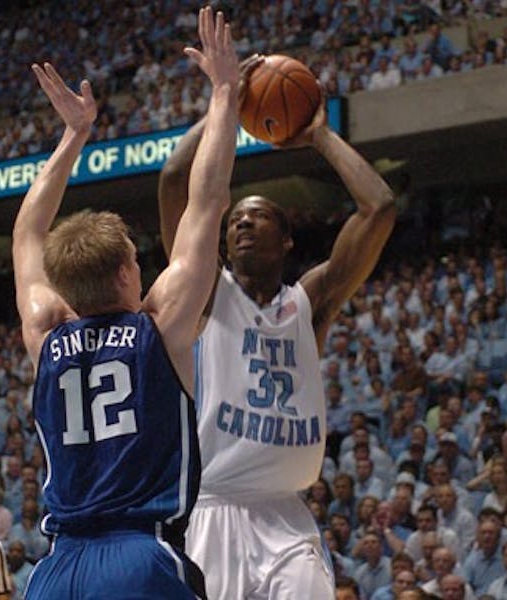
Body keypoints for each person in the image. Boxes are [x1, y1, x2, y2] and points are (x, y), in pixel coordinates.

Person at [158, 32, 397, 600]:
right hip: (213, 509)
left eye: (258, 216)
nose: (241, 223)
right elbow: (172, 180)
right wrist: (226, 100)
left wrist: (319, 135)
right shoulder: (207, 293)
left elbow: (380, 207)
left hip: (286, 516)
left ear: (287, 239)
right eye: (235, 217)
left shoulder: (308, 303)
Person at [16, 8, 238, 598]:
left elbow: (26, 233)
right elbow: (208, 201)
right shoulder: (159, 324)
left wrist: (73, 136)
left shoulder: (45, 330)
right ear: (123, 271)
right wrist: (224, 92)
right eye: (139, 260)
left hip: (56, 571)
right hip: (140, 558)